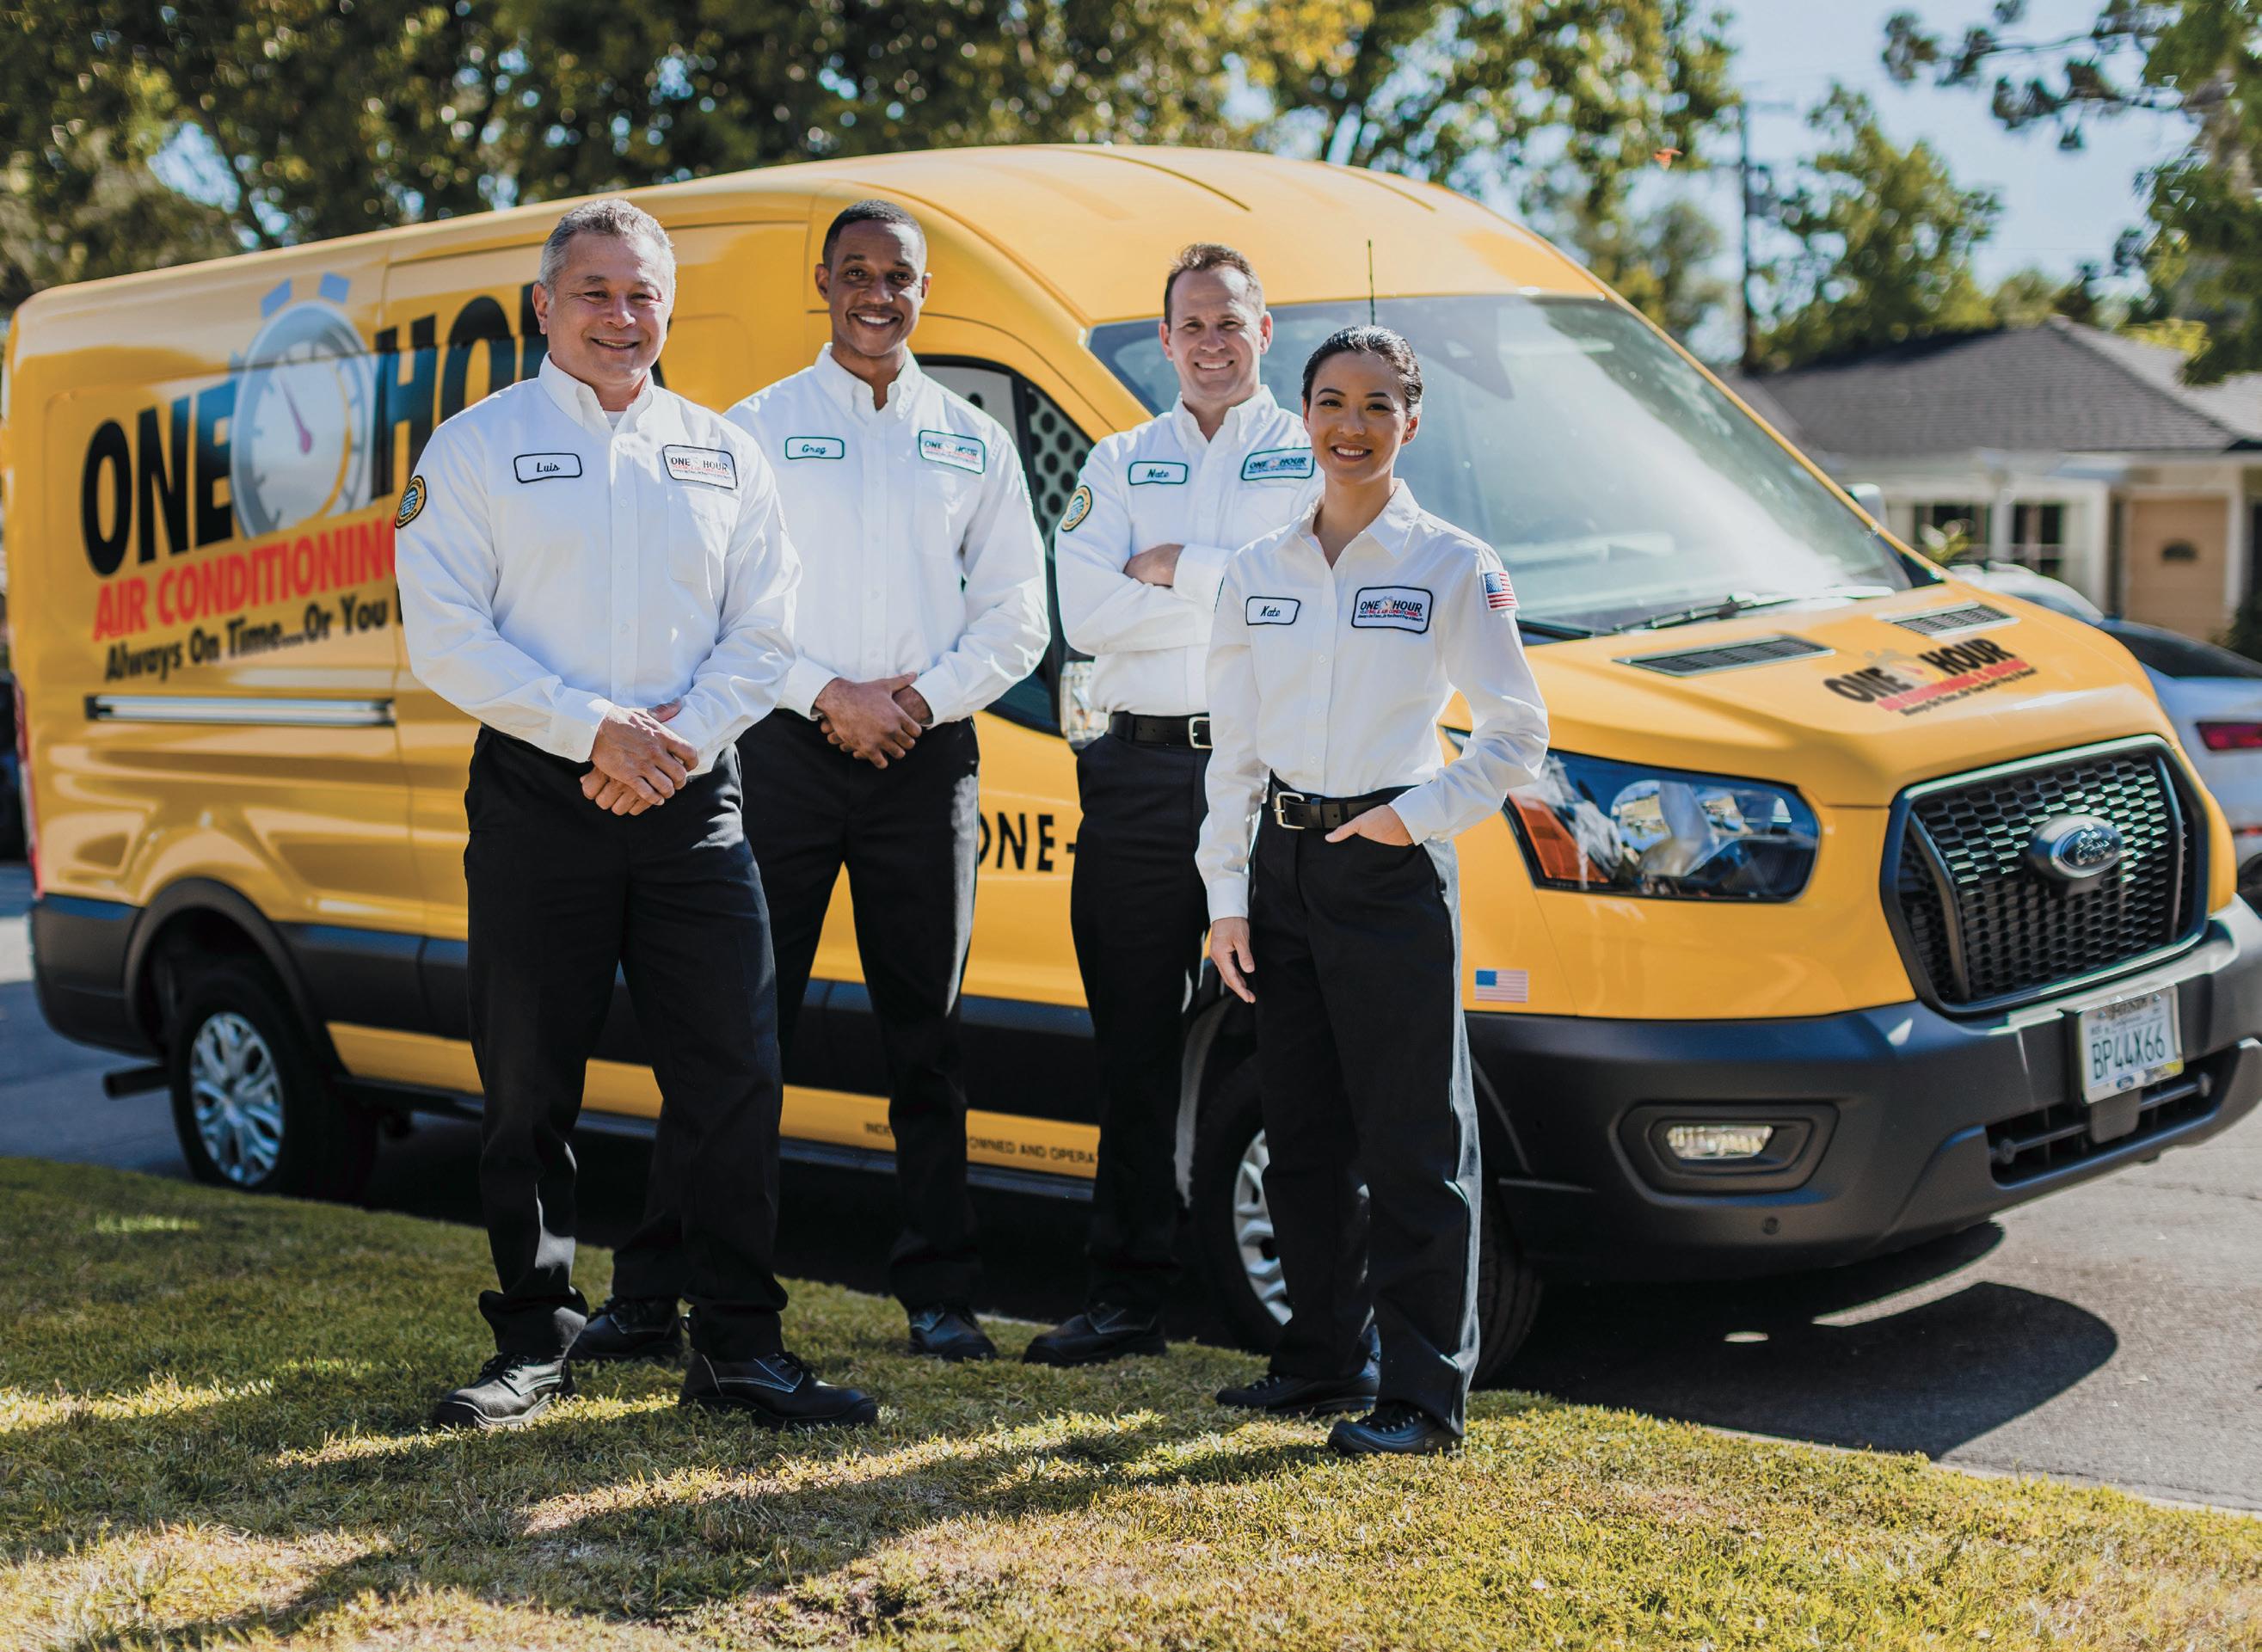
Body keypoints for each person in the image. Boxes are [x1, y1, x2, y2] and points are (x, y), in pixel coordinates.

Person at [397, 199, 876, 1432]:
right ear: (543, 306)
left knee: (734, 1075)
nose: (621, 316)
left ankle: (739, 1346)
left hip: (693, 799)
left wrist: (674, 742)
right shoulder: (475, 447)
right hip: (536, 797)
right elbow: (445, 635)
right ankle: (533, 1342)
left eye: (642, 293)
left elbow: (765, 630)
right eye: (595, 292)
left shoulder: (722, 452)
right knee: (527, 1084)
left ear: (669, 306)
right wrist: (590, 730)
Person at [578, 200, 1049, 1366]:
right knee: (735, 1031)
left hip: (925, 760)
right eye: (855, 272)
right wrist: (828, 693)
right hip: (784, 752)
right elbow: (717, 606)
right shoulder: (755, 431)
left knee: (927, 1036)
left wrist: (917, 702)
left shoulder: (971, 440)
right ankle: (655, 1288)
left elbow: (1018, 615)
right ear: (823, 284)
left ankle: (939, 1292)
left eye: (898, 276)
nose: (876, 294)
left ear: (925, 291)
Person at [1197, 327, 1549, 1456]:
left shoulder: (1453, 563)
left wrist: (1413, 815)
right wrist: (1225, 896)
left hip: (1390, 863)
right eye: (1331, 402)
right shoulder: (1256, 570)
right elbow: (1233, 751)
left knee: (1412, 1142)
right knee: (1300, 1132)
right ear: (1301, 413)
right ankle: (1318, 1359)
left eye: (1377, 404)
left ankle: (1421, 1397)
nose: (1351, 426)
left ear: (1412, 419)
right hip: (1281, 867)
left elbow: (1517, 735)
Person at [1023, 244, 1317, 1368]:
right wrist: (1235, 585)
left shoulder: (1311, 452)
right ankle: (1126, 1299)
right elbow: (1087, 615)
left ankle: (1317, 1318)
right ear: (1164, 339)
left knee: (1292, 1038)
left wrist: (1177, 566)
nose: (1209, 343)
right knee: (1134, 1044)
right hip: (1139, 777)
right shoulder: (1118, 459)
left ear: (1263, 330)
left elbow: (1304, 599)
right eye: (1190, 325)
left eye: (1228, 322)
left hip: (1270, 777)